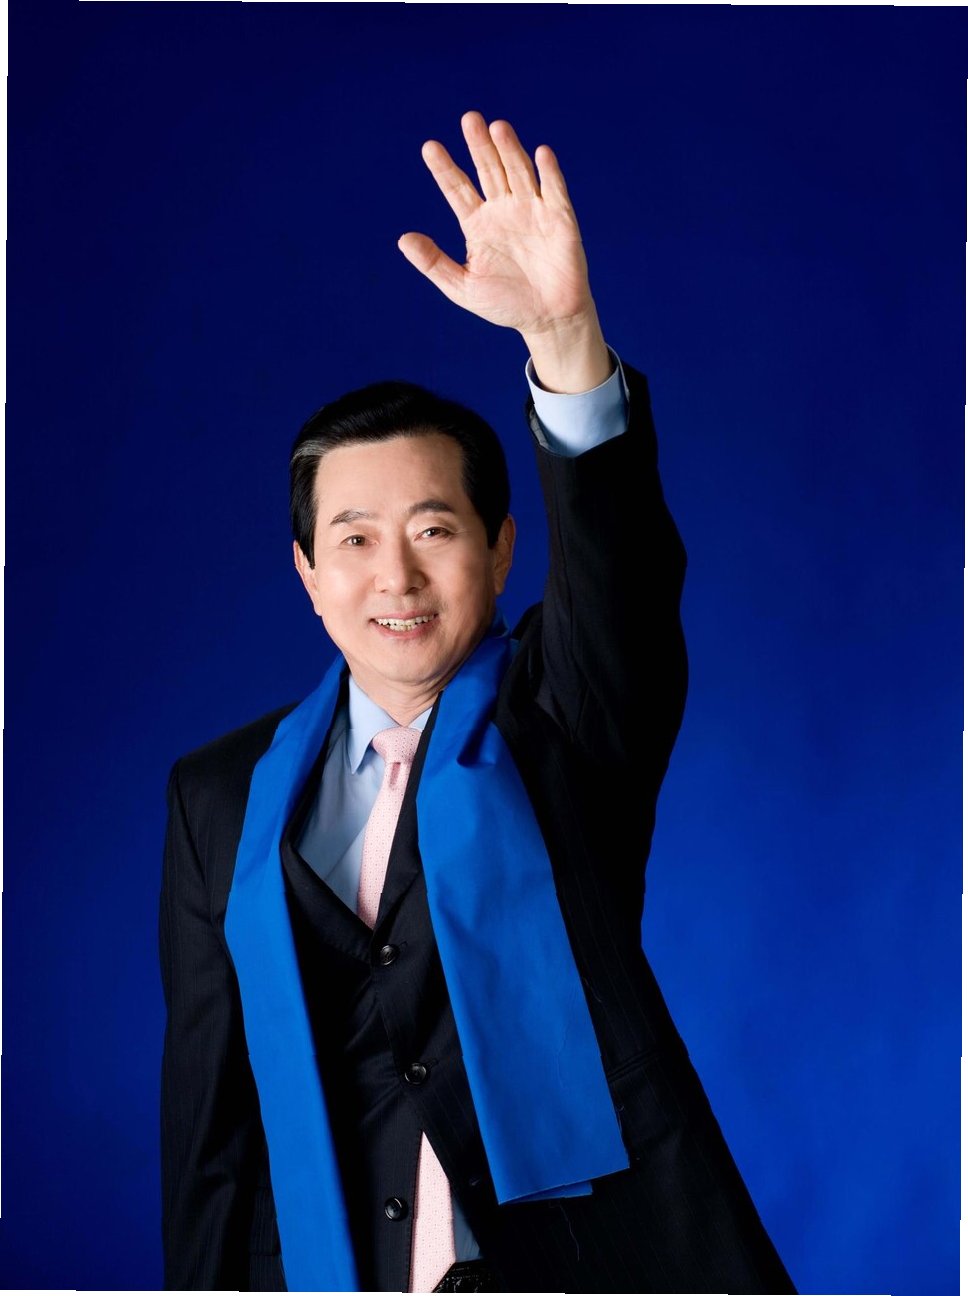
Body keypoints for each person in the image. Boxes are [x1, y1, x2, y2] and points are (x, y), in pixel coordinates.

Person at [160, 112, 795, 1294]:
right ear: (307, 574)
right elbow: (212, 1118)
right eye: (354, 539)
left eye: (433, 531)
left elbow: (618, 577)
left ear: (501, 551)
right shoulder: (219, 797)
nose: (394, 577)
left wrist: (563, 339)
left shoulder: (564, 717)